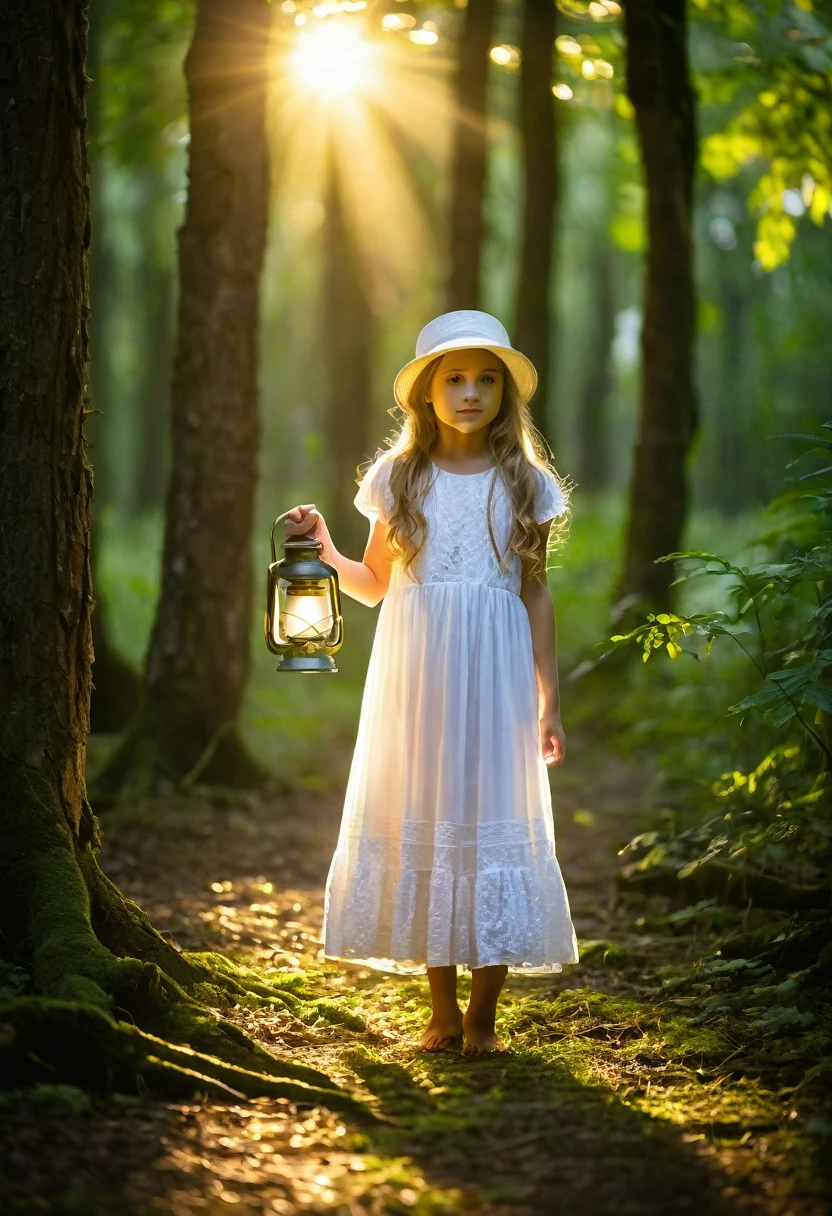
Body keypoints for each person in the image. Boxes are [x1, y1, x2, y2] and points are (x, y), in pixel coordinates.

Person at [284, 310, 578, 1055]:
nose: (471, 392)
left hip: (497, 673)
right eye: (455, 379)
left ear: (505, 394)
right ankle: (441, 1013)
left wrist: (550, 700)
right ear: (426, 393)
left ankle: (484, 1018)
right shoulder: (399, 477)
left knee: (489, 819)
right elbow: (376, 586)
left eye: (486, 380)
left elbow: (536, 593)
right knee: (426, 815)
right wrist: (321, 546)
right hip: (417, 674)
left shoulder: (526, 483)